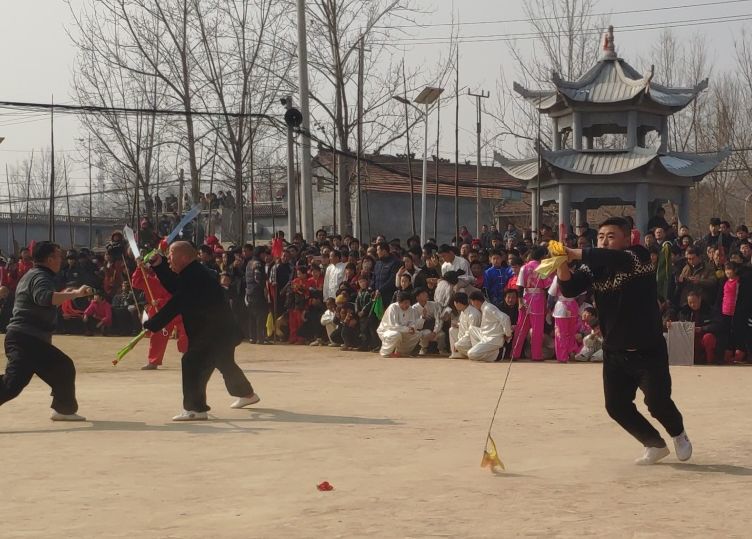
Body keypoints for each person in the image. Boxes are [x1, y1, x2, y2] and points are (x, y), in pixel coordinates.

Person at [556, 217, 692, 465]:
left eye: (611, 236)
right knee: (616, 406)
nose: (604, 241)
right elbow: (569, 289)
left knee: (657, 402)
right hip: (615, 351)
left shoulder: (637, 257)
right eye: (600, 237)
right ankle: (653, 443)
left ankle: (678, 434)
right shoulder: (592, 267)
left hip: (648, 348)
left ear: (627, 238)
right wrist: (560, 263)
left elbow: (611, 259)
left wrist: (572, 252)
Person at [144, 241, 259, 421]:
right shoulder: (191, 272)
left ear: (183, 257)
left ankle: (195, 409)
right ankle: (247, 394)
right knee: (224, 362)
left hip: (213, 332)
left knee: (192, 363)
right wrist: (158, 265)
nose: (168, 259)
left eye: (170, 255)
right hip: (220, 330)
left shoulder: (195, 276)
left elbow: (178, 301)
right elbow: (176, 287)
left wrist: (152, 324)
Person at [0, 241, 92, 421]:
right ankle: (63, 409)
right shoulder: (40, 276)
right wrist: (76, 294)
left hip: (28, 339)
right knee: (14, 383)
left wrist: (67, 292)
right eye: (58, 256)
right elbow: (45, 298)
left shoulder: (34, 275)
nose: (61, 260)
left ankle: (63, 409)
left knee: (59, 368)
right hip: (25, 339)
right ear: (49, 259)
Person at [132, 262, 189, 369]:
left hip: (178, 310)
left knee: (186, 333)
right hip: (159, 311)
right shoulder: (150, 280)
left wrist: (160, 301)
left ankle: (187, 357)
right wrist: (139, 268)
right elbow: (136, 282)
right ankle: (153, 361)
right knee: (157, 335)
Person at [512, 246, 554, 361]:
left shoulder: (524, 267)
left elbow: (519, 285)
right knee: (537, 328)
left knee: (521, 327)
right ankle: (536, 355)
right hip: (538, 298)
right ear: (542, 256)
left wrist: (520, 301)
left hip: (525, 297)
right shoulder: (542, 267)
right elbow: (548, 287)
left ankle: (514, 353)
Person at [456, 291, 511, 362]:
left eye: (472, 302)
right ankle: (479, 349)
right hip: (485, 335)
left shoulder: (488, 308)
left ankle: (497, 354)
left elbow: (505, 318)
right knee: (472, 329)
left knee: (471, 354)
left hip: (493, 338)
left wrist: (508, 334)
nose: (472, 304)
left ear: (475, 301)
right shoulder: (484, 308)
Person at [376, 291, 423, 358]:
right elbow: (392, 326)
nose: (407, 305)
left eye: (408, 303)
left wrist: (412, 328)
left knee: (417, 334)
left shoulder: (411, 309)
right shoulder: (393, 307)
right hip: (387, 331)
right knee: (395, 334)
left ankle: (402, 352)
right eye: (405, 303)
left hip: (403, 331)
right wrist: (407, 329)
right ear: (399, 302)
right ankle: (385, 353)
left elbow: (412, 322)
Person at [448, 292, 481, 359]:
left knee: (458, 345)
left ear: (458, 303)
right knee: (452, 330)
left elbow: (471, 333)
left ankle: (472, 354)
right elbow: (464, 325)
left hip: (471, 341)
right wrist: (458, 325)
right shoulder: (463, 311)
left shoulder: (473, 314)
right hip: (464, 339)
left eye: (455, 303)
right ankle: (457, 353)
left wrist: (458, 344)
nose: (454, 305)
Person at [412, 287, 443, 356]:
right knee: (426, 333)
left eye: (425, 293)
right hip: (422, 329)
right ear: (417, 297)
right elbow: (416, 325)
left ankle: (440, 350)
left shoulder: (434, 305)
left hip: (434, 328)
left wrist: (435, 332)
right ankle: (423, 348)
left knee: (441, 335)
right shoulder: (414, 308)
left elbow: (438, 319)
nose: (426, 294)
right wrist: (422, 317)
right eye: (423, 293)